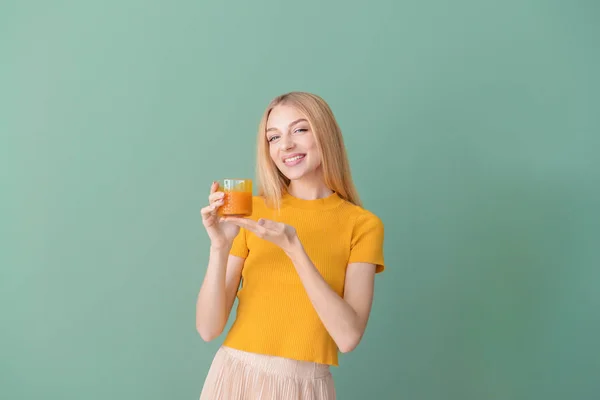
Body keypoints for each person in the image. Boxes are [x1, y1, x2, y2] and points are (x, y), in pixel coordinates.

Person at [197, 91, 385, 399]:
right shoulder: (252, 212)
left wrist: (294, 248)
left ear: (324, 133)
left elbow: (348, 337)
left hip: (305, 387)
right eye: (273, 137)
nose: (285, 146)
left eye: (299, 129)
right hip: (235, 379)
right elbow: (208, 329)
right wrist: (219, 248)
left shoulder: (362, 225)